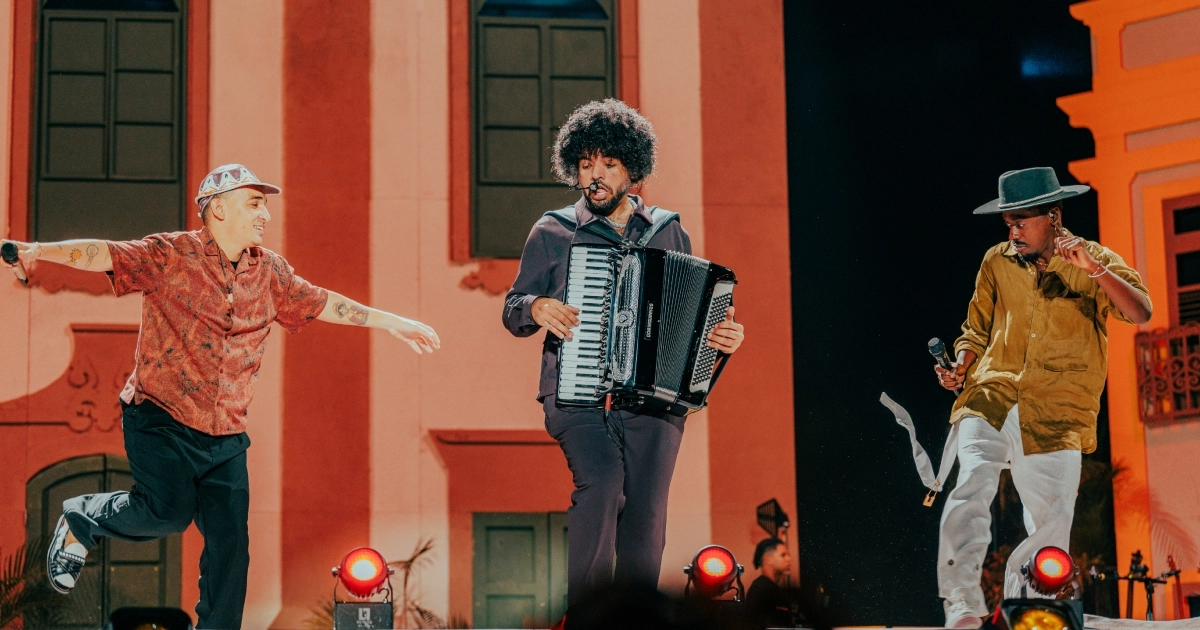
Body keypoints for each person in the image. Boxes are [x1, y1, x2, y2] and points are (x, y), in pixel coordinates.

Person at [2, 164, 441, 629]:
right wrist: (38, 251)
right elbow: (101, 254)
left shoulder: (269, 271)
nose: (265, 214)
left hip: (225, 433)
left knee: (231, 547)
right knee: (168, 514)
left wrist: (393, 322)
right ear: (218, 208)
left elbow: (322, 301)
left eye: (264, 204)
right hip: (160, 417)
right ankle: (81, 519)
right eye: (254, 203)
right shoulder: (170, 254)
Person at [502, 99, 745, 613]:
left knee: (647, 514)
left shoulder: (666, 230)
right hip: (577, 397)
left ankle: (636, 621)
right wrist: (538, 305)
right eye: (586, 164)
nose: (595, 174)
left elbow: (693, 317)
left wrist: (722, 338)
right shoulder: (553, 230)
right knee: (604, 483)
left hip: (654, 402)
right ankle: (586, 616)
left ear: (632, 170)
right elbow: (513, 308)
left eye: (608, 164)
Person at [933, 167, 1151, 628]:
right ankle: (962, 605)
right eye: (1007, 222)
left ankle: (1023, 606)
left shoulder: (1095, 261)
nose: (1012, 232)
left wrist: (1094, 271)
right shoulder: (995, 261)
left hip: (1057, 407)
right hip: (991, 393)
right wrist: (961, 365)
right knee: (971, 481)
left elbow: (1140, 311)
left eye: (1021, 222)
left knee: (1052, 522)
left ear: (1053, 216)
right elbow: (975, 328)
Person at [745, 538, 795, 628]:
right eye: (783, 555)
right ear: (768, 560)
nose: (789, 559)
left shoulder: (771, 589)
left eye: (788, 555)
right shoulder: (761, 590)